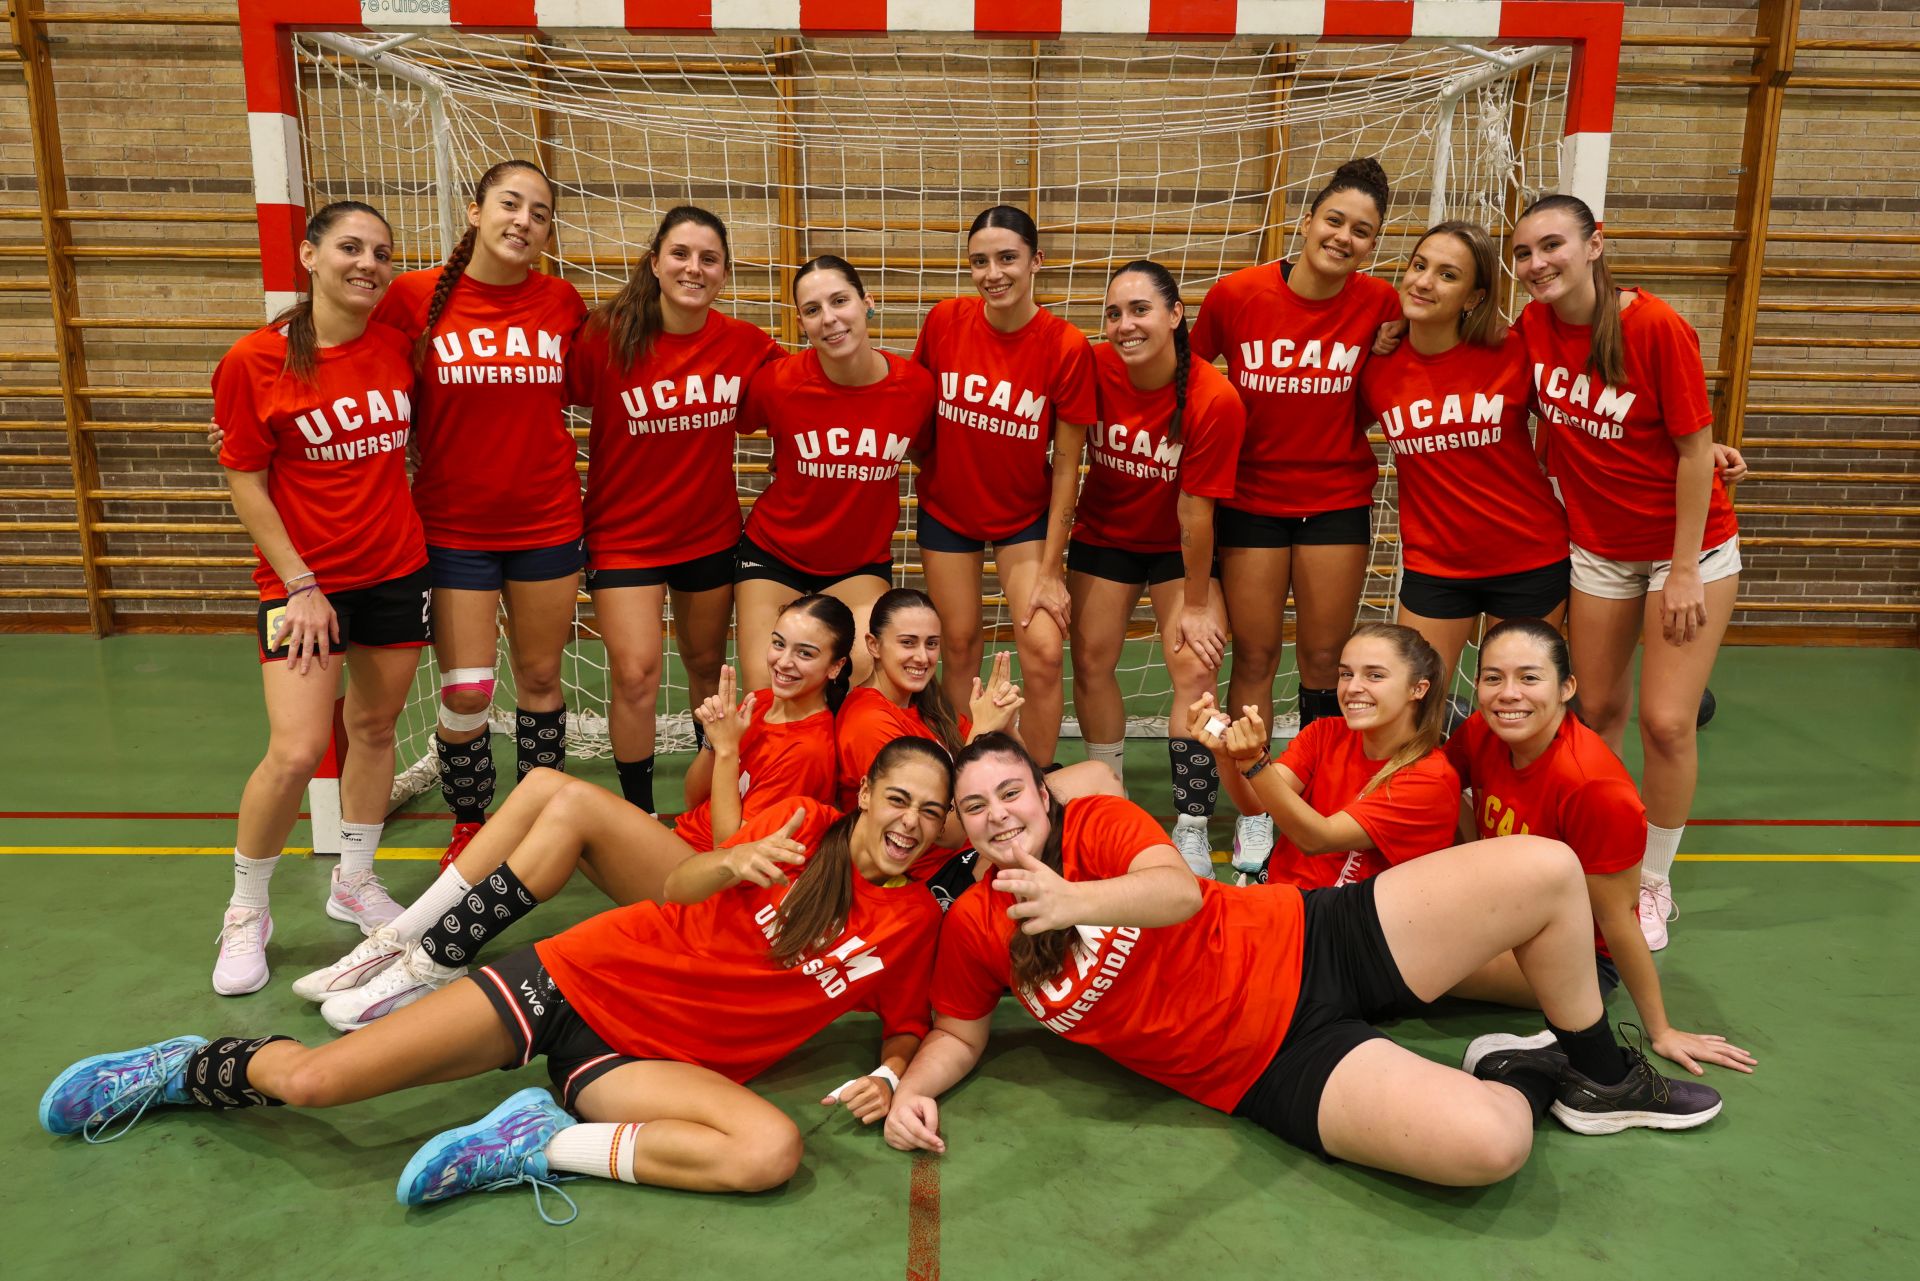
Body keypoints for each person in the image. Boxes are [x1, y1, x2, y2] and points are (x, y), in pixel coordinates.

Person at [42, 741, 953, 1224]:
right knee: (321, 1081)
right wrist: (731, 861)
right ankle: (177, 1069)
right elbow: (674, 885)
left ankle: (533, 1144)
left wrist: (891, 1072)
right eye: (898, 797)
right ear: (868, 792)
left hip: (649, 1061)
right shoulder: (801, 823)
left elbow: (907, 1021)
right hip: (575, 980)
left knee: (770, 1153)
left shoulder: (915, 922)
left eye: (931, 810)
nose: (910, 821)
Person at [882, 733, 1724, 1186]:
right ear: (960, 823)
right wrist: (909, 1090)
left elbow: (1174, 892)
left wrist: (1076, 899)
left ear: (1042, 791)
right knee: (1492, 1143)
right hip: (1270, 1068)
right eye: (974, 806)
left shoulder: (1095, 826)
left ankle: (1603, 1076)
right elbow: (958, 1031)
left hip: (1311, 934)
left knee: (1546, 868)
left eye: (1011, 793)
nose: (997, 815)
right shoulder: (974, 928)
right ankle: (1520, 1068)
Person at [293, 593, 850, 1029]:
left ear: (835, 666)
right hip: (685, 854)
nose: (784, 661)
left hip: (714, 896)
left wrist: (729, 750)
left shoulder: (809, 748)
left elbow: (737, 854)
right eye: (779, 643)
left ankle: (436, 962)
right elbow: (697, 799)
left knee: (573, 805)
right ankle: (401, 937)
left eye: (806, 653)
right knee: (540, 784)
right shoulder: (761, 703)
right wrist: (714, 740)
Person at [209, 201, 429, 995]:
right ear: (308, 255)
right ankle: (245, 909)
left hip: (398, 569)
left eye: (380, 251)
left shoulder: (398, 348)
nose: (367, 262)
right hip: (305, 586)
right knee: (298, 751)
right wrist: (301, 582)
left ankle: (355, 878)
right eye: (348, 247)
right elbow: (244, 475)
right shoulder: (255, 360)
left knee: (374, 728)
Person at [1511, 193, 1741, 950]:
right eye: (1524, 253)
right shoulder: (1533, 327)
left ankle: (1652, 881)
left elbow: (1691, 449)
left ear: (1595, 245)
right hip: (1599, 548)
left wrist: (1680, 569)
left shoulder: (1653, 326)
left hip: (1688, 550)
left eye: (1552, 245)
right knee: (1595, 712)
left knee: (1667, 721)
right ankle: (1598, 858)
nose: (1537, 263)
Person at [1190, 158, 1405, 877]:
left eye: (1363, 232)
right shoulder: (1238, 294)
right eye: (1335, 221)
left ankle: (1316, 799)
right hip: (1250, 503)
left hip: (1336, 501)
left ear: (1375, 245)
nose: (1344, 238)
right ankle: (1256, 808)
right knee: (1254, 657)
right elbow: (1185, 375)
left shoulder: (1381, 306)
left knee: (1324, 659)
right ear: (1306, 220)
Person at [371, 159, 588, 866]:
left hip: (548, 522)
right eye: (510, 203)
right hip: (455, 529)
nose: (523, 220)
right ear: (475, 210)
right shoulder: (412, 297)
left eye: (540, 212)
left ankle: (537, 809)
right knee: (468, 691)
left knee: (541, 680)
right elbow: (344, 355)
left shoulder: (561, 301)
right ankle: (470, 821)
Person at [1444, 618, 1757, 1077]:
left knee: (1405, 956)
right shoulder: (1481, 732)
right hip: (1504, 904)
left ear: (1567, 686)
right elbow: (1435, 786)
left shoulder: (1592, 786)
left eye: (1529, 678)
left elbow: (1618, 920)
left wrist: (1662, 1030)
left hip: (1572, 954)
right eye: (1493, 678)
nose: (1508, 694)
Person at [570, 205, 781, 813]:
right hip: (623, 538)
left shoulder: (745, 345)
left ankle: (703, 802)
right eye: (681, 255)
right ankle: (639, 810)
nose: (694, 268)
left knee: (706, 668)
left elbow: (801, 399)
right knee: (635, 674)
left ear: (724, 273)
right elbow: (539, 397)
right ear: (656, 261)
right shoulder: (605, 335)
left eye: (709, 259)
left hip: (709, 536)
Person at [1070, 261, 1243, 873]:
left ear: (1174, 315)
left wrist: (1196, 603)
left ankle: (1192, 824)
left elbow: (1197, 513)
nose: (1125, 324)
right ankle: (1106, 794)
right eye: (1114, 313)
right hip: (1105, 536)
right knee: (1090, 660)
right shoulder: (1088, 366)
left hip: (1179, 546)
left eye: (1140, 310)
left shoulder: (1213, 398)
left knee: (1196, 670)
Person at [912, 206, 1098, 769]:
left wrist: (1050, 568)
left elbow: (1068, 465)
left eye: (1007, 258)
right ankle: (957, 769)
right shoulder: (945, 320)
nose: (993, 272)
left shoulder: (1065, 345)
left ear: (1036, 261)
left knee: (1042, 650)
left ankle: (1037, 779)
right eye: (980, 261)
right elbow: (918, 414)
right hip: (949, 511)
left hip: (1024, 517)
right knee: (959, 646)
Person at [1359, 221, 1570, 687]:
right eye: (1419, 265)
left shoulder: (1512, 350)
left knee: (1513, 709)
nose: (1424, 282)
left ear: (1474, 297)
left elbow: (1580, 415)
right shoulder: (1377, 365)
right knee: (1414, 702)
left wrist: (1695, 447)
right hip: (1436, 566)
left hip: (1528, 557)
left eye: (1447, 275)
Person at [837, 587, 1120, 906]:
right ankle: (1108, 906)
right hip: (932, 875)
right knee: (1091, 786)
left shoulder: (925, 707)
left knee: (1092, 782)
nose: (922, 657)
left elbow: (1020, 771)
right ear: (874, 645)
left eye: (931, 644)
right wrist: (984, 727)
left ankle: (1105, 901)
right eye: (907, 642)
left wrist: (1006, 724)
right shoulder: (868, 720)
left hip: (971, 840)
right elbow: (946, 833)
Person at [735, 256, 934, 688]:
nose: (829, 319)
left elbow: (927, 451)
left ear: (867, 302)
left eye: (839, 301)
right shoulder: (778, 383)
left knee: (865, 673)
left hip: (857, 564)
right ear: (802, 323)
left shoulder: (916, 388)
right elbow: (720, 423)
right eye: (812, 310)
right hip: (775, 554)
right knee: (766, 683)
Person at [1193, 623, 1459, 889]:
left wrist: (1255, 763)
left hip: (1346, 920)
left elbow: (1317, 839)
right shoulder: (1325, 732)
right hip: (1286, 897)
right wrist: (1226, 755)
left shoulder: (1429, 778)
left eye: (1375, 676)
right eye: (1346, 674)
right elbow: (1255, 804)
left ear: (1418, 689)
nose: (1352, 687)